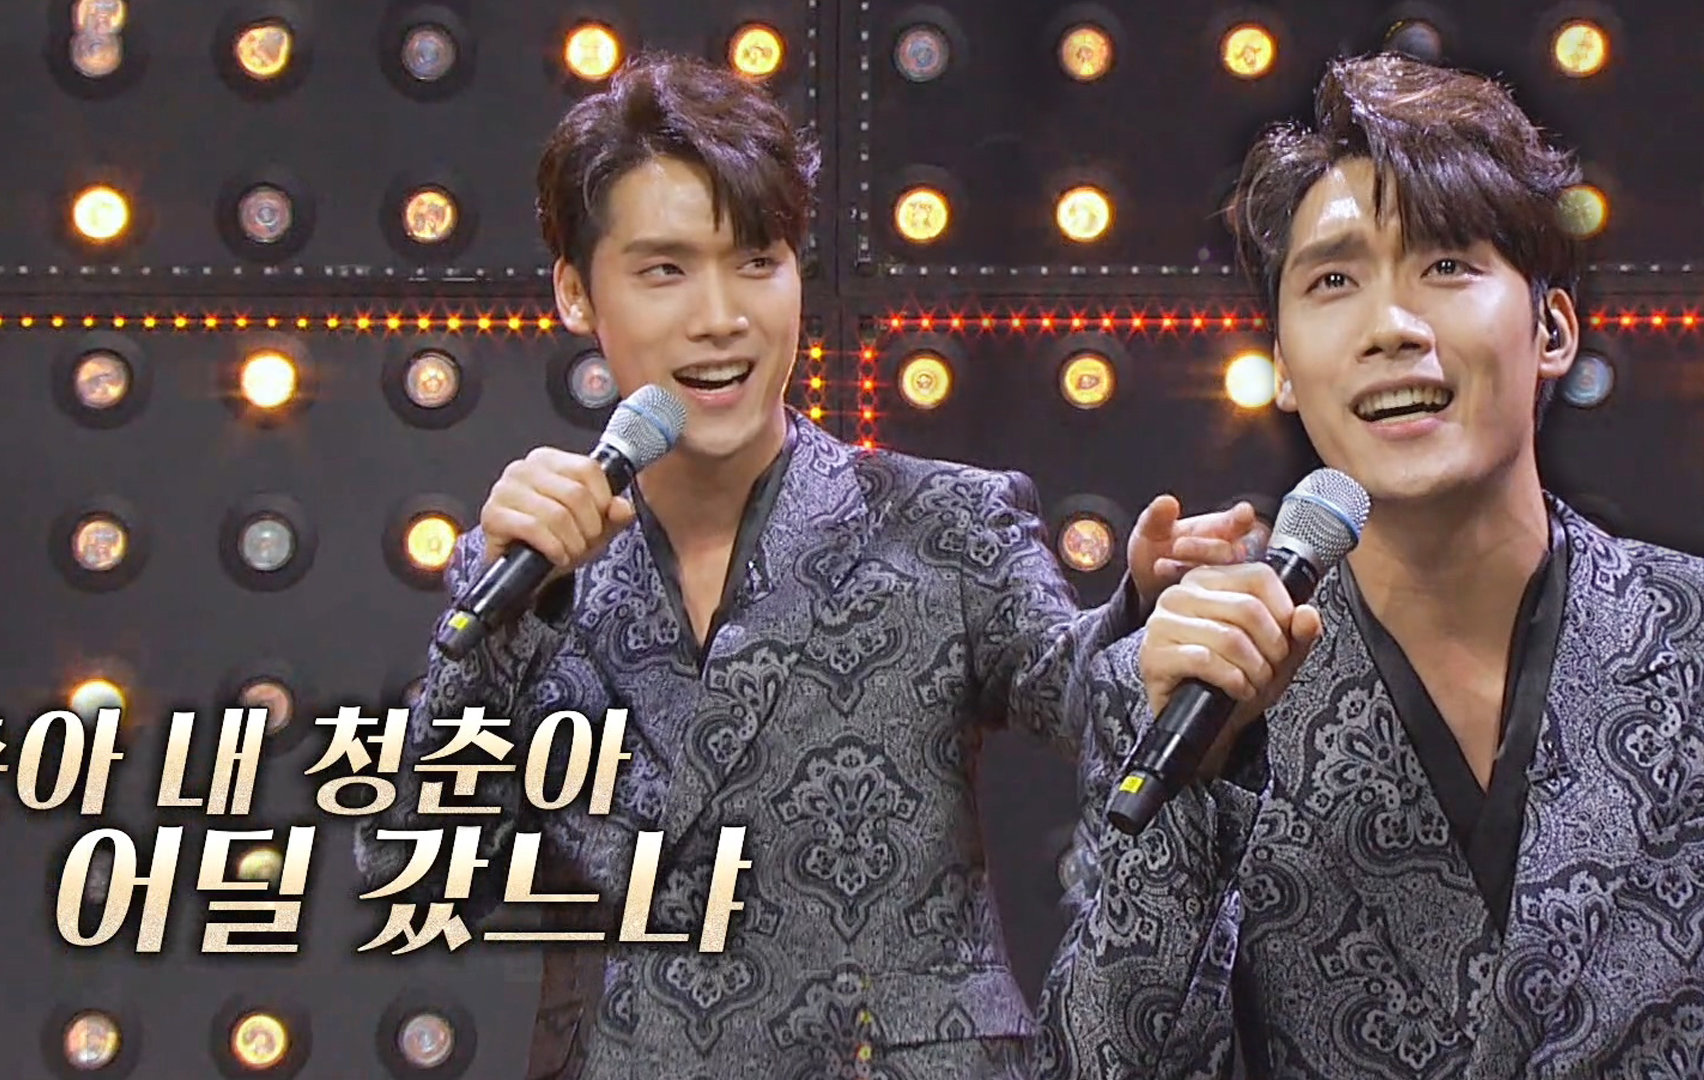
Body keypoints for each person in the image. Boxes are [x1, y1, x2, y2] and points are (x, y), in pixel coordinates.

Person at [353, 52, 1256, 1080]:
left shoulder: (941, 521)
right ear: (574, 291)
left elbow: (1084, 692)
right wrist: (499, 627)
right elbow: (412, 867)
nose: (720, 316)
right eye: (664, 271)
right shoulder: (532, 574)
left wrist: (1150, 622)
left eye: (756, 260)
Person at [1035, 52, 1704, 1078]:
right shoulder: (1187, 688)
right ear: (1284, 367)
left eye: (1447, 266)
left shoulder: (1687, 636)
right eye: (1335, 281)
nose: (1391, 327)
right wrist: (1198, 795)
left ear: (1552, 328)